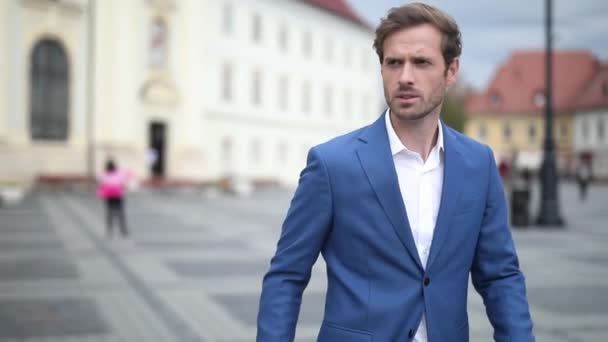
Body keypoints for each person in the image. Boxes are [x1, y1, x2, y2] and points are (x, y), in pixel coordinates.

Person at [257, 3, 534, 342]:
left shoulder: (478, 164)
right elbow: (287, 275)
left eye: (421, 62)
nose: (405, 76)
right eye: (393, 62)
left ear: (451, 71)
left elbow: (500, 277)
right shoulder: (332, 164)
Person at [98, 158, 131, 238]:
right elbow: (123, 182)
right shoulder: (119, 174)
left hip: (109, 196)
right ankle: (123, 229)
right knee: (120, 213)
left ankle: (110, 230)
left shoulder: (104, 174)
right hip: (118, 195)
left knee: (110, 213)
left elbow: (102, 183)